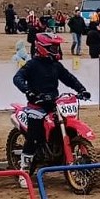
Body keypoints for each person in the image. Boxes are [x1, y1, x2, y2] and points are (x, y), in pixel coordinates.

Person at [12, 33, 90, 188]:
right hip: (37, 105)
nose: (56, 49)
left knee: (70, 128)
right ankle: (24, 171)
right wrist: (28, 91)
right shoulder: (32, 65)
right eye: (53, 47)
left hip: (54, 103)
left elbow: (68, 78)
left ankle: (67, 158)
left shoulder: (55, 65)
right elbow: (17, 78)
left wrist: (81, 89)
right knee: (34, 137)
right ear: (42, 48)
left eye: (56, 46)